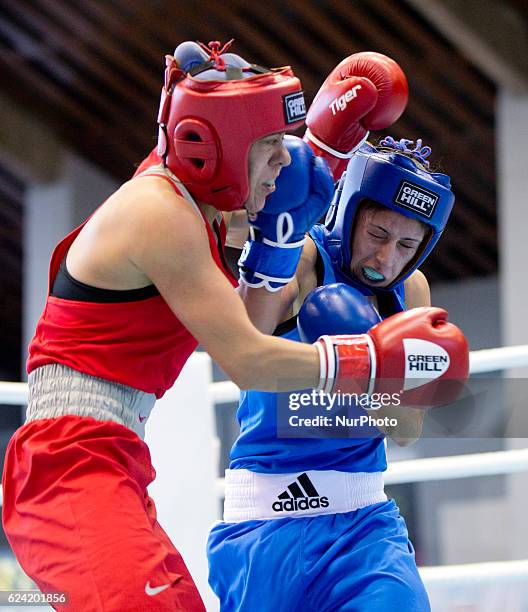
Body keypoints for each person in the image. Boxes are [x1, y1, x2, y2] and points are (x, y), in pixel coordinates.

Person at [1, 37, 466, 611]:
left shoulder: (197, 209)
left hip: (117, 456)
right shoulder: (161, 213)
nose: (283, 160)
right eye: (271, 146)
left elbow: (284, 190)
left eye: (284, 147)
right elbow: (245, 358)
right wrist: (369, 362)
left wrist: (317, 156)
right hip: (73, 459)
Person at [207, 135, 465, 611]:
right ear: (350, 215)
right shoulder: (304, 260)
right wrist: (272, 247)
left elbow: (406, 431)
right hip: (265, 524)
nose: (387, 259)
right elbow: (243, 348)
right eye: (378, 235)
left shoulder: (413, 291)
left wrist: (371, 365)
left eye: (407, 244)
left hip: (365, 528)